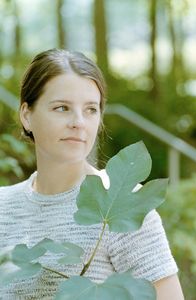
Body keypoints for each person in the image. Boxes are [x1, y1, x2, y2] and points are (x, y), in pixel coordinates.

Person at [0, 48, 184, 299]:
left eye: (90, 109)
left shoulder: (123, 203)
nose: (79, 122)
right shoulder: (3, 206)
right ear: (26, 115)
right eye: (62, 108)